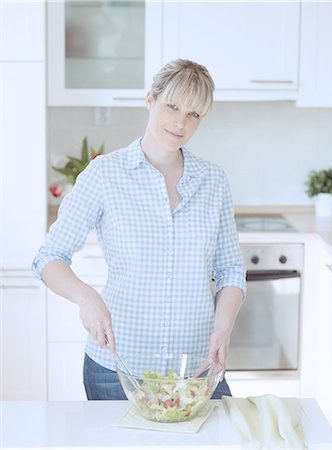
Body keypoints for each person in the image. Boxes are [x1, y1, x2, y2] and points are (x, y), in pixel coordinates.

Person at [32, 59, 246, 400]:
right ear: (150, 100)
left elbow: (231, 270)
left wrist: (223, 328)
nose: (180, 122)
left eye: (194, 114)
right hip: (118, 369)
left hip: (197, 368)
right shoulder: (104, 175)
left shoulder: (213, 180)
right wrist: (86, 297)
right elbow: (49, 258)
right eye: (172, 106)